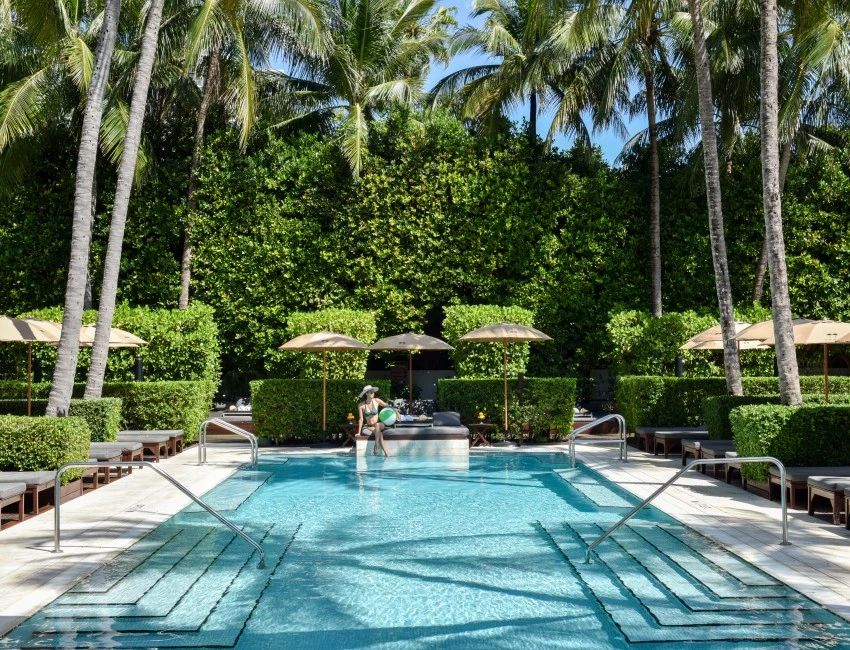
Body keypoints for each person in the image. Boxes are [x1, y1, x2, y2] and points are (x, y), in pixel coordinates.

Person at [357, 385, 391, 457]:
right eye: (371, 392)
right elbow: (361, 419)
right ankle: (386, 453)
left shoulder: (377, 401)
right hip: (369, 427)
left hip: (379, 424)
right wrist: (358, 432)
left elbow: (387, 406)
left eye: (373, 392)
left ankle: (376, 445)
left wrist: (396, 412)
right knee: (379, 434)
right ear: (366, 393)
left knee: (377, 425)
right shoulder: (361, 405)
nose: (373, 393)